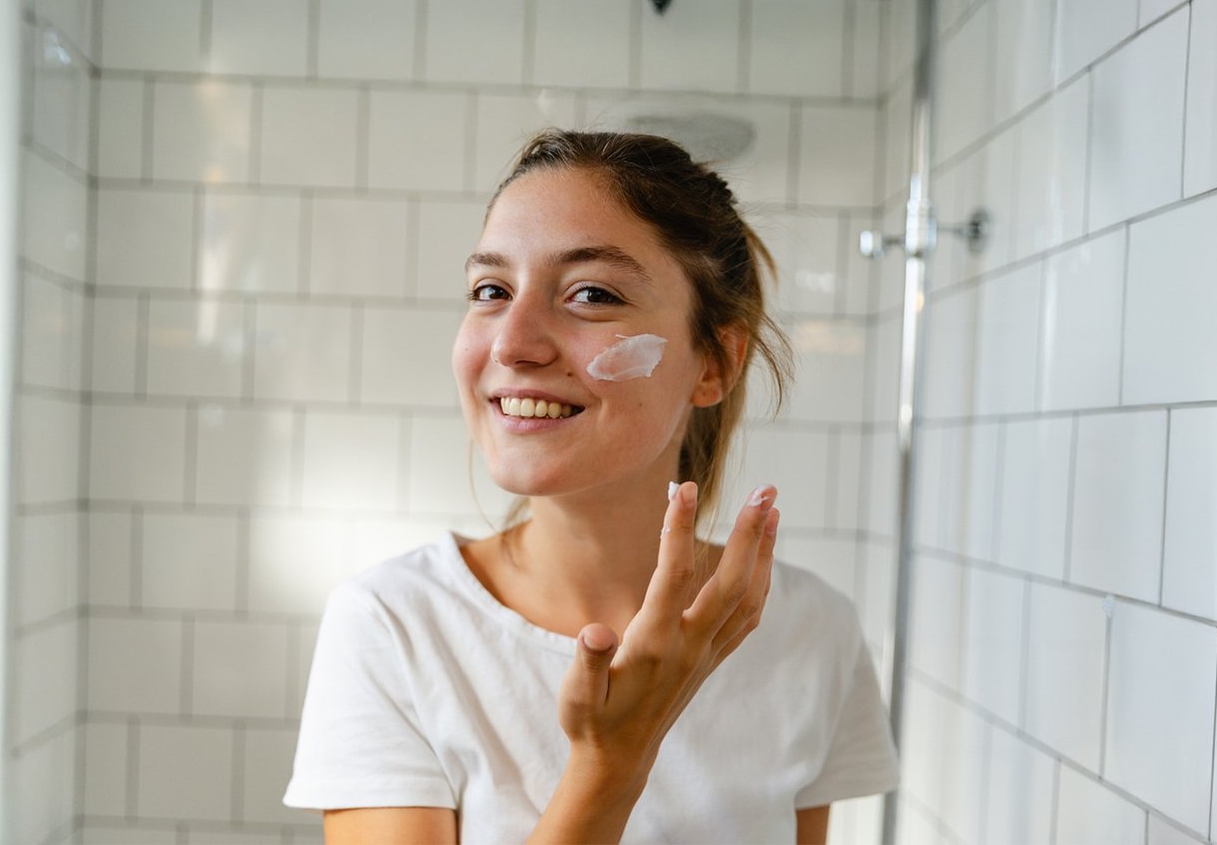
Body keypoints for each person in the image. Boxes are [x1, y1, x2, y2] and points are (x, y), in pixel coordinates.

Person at [281, 129, 899, 843]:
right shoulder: (394, 626)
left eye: (592, 294)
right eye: (491, 291)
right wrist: (610, 764)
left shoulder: (812, 631)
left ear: (713, 363)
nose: (512, 343)